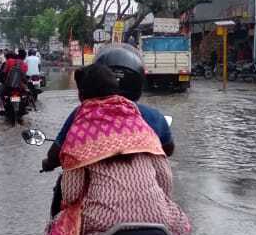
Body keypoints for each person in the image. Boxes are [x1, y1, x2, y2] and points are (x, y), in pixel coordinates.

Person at [19, 63, 192, 235]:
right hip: (157, 216)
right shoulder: (140, 123)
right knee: (182, 231)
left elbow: (71, 193)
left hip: (103, 219)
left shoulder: (80, 128)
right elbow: (165, 179)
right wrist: (157, 202)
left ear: (82, 94)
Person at [41, 45, 173, 175]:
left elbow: (55, 154)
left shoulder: (82, 114)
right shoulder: (154, 117)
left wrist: (49, 163)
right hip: (147, 185)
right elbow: (168, 149)